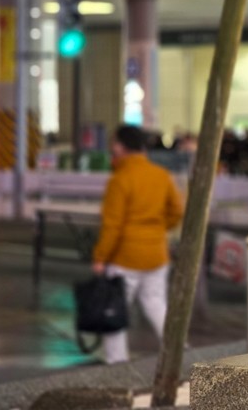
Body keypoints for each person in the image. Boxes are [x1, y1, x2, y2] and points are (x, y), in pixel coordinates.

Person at [92, 124, 184, 363]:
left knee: (115, 313)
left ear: (120, 147)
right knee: (156, 305)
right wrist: (158, 229)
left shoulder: (120, 179)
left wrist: (101, 257)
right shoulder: (161, 175)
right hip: (156, 253)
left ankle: (117, 364)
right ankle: (178, 353)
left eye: (114, 144)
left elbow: (112, 225)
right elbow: (176, 211)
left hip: (125, 257)